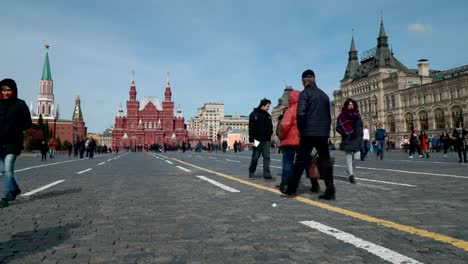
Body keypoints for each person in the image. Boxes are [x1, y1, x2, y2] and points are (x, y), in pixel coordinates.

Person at [281, 69, 335, 200]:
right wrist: (326, 132)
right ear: (315, 80)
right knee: (325, 161)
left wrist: (302, 129)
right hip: (322, 133)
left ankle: (292, 189)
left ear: (303, 82)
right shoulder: (324, 95)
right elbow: (328, 117)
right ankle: (330, 189)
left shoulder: (304, 94)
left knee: (299, 162)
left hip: (308, 133)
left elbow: (300, 114)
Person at [0, 79, 32, 208]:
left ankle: (5, 196)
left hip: (13, 142)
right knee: (3, 170)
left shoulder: (20, 104)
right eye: (3, 90)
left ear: (13, 91)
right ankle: (15, 189)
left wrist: (16, 127)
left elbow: (27, 123)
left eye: (8, 90)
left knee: (8, 168)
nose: (6, 92)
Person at [277, 90, 301, 190]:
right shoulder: (305, 109)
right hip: (301, 141)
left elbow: (285, 125)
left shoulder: (290, 110)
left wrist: (282, 136)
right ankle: (314, 184)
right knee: (302, 163)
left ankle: (285, 184)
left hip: (289, 141)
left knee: (287, 164)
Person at [336, 98, 363, 184]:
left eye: (352, 104)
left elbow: (360, 125)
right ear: (346, 105)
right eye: (349, 104)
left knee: (357, 158)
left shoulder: (357, 114)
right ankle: (351, 175)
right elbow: (338, 127)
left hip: (357, 138)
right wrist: (346, 133)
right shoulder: (342, 115)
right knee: (349, 158)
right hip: (348, 139)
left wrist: (361, 134)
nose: (351, 106)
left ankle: (349, 169)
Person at [248, 98, 273, 180]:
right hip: (256, 140)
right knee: (255, 157)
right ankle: (251, 171)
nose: (268, 108)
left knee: (267, 157)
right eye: (267, 106)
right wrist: (251, 140)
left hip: (266, 140)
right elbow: (251, 128)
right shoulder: (253, 114)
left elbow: (270, 127)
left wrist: (270, 133)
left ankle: (267, 174)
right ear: (263, 105)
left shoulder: (268, 115)